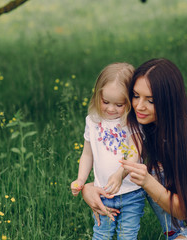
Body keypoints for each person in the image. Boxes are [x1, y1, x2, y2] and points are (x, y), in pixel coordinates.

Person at [82, 58, 187, 240]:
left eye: (151, 100)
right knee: (148, 171)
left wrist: (147, 181)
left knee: (149, 175)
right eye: (135, 95)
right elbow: (117, 168)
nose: (139, 106)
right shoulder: (139, 123)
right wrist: (89, 188)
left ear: (168, 101)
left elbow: (184, 209)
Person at [70, 62, 145, 240]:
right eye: (105, 102)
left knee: (127, 236)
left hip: (131, 193)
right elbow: (87, 153)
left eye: (119, 104)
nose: (111, 109)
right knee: (101, 235)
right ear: (98, 96)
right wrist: (81, 179)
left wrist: (121, 173)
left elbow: (135, 153)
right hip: (102, 192)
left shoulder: (131, 123)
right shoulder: (93, 121)